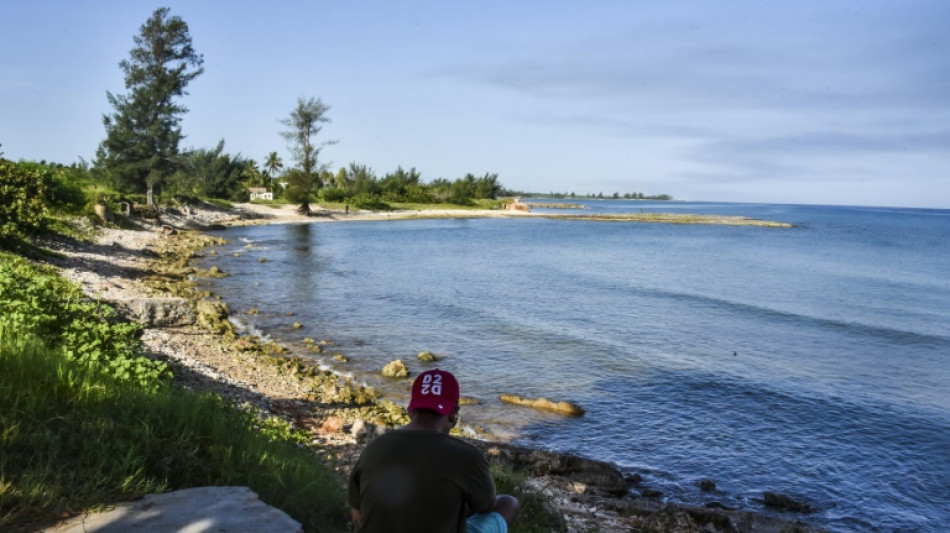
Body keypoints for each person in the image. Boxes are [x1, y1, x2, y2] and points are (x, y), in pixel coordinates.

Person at [348, 369, 518, 533]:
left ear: (410, 410)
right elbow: (486, 506)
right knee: (508, 503)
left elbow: (357, 515)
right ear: (453, 414)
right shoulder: (468, 456)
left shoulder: (375, 446)